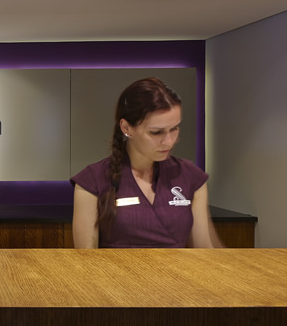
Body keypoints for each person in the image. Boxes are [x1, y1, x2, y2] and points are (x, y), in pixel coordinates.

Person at [71, 77, 223, 249]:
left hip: (177, 275)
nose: (169, 141)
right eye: (156, 132)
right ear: (126, 128)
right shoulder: (92, 181)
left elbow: (204, 250)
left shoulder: (190, 176)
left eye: (174, 129)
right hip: (116, 276)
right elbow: (87, 262)